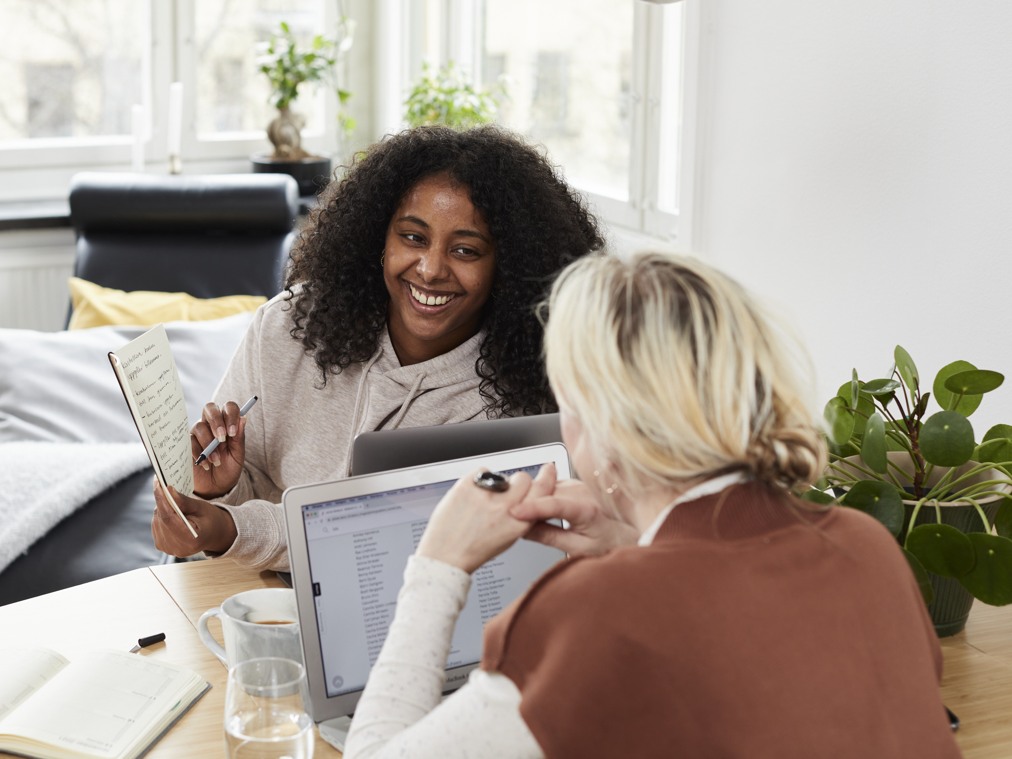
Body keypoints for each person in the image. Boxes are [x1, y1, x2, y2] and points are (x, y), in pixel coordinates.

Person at [343, 251, 962, 758]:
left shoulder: (593, 611)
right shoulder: (866, 545)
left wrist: (438, 565)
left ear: (606, 433)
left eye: (569, 412)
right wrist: (637, 544)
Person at [151, 125, 604, 571]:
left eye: (465, 250)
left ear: (508, 266)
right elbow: (237, 498)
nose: (429, 270)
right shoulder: (290, 324)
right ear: (377, 239)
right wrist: (219, 492)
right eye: (412, 237)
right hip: (249, 602)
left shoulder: (523, 397)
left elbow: (378, 545)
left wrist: (232, 528)